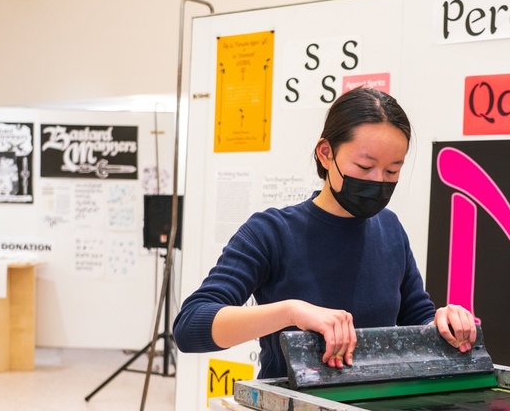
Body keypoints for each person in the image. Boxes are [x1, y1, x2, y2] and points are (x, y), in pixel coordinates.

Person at [173, 86, 477, 377]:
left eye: (392, 171)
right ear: (326, 153)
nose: (378, 181)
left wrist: (444, 322)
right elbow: (190, 326)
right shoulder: (271, 233)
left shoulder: (391, 229)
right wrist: (291, 312)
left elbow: (417, 319)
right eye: (364, 166)